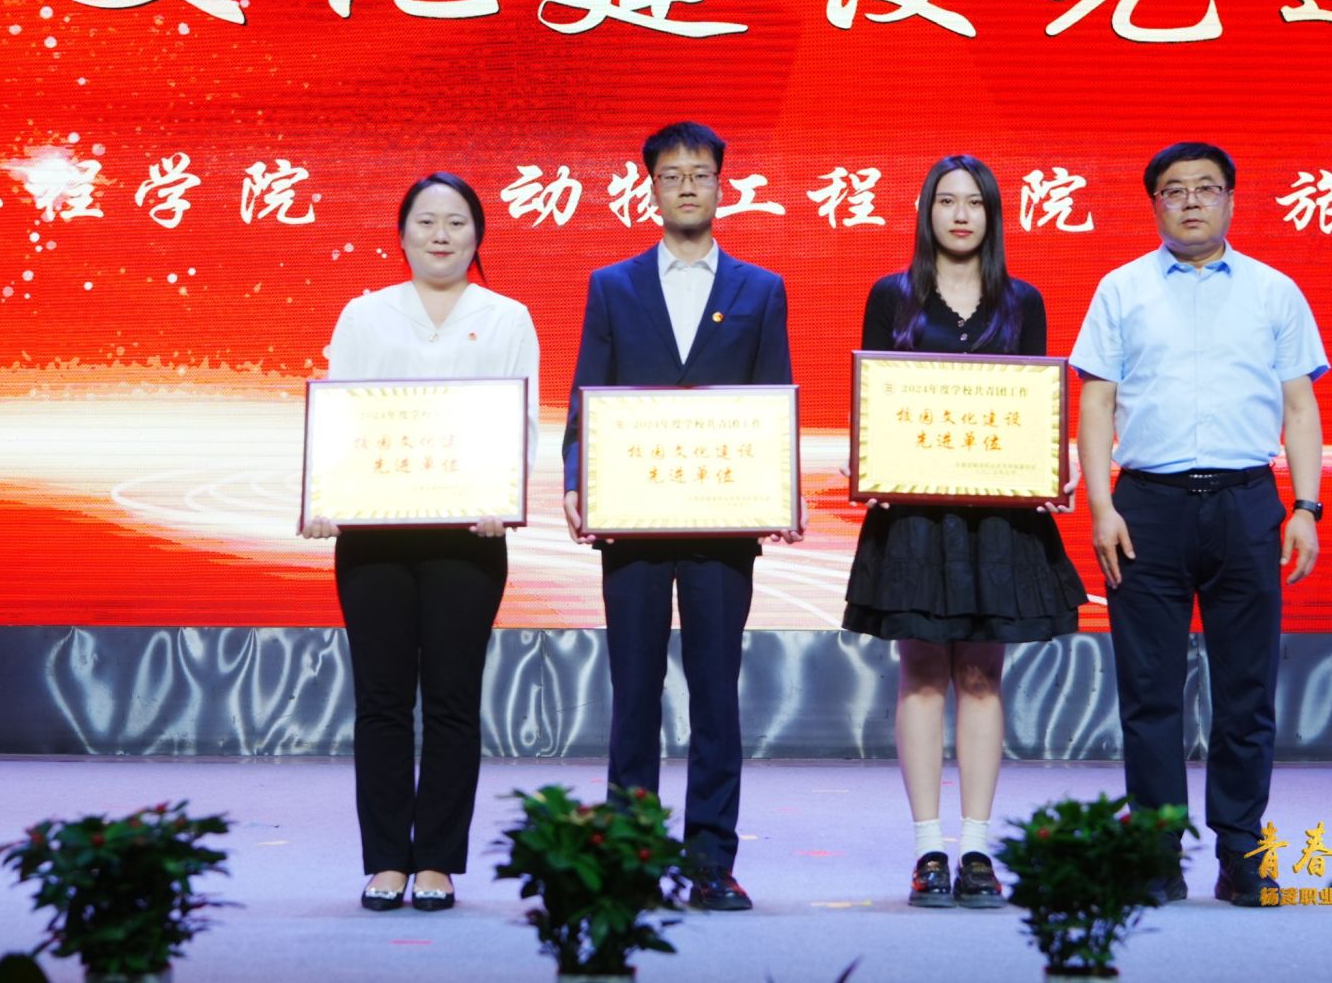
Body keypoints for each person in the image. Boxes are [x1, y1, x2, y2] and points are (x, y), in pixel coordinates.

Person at [1069, 141, 1326, 907]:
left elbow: (1300, 406)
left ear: (1231, 200)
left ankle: (1242, 850)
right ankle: (1155, 849)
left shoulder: (1275, 291)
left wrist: (1306, 506)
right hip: (1147, 506)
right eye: (1174, 189)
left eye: (1206, 188)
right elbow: (1095, 403)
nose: (1191, 201)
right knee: (1150, 690)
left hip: (1247, 502)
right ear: (1154, 203)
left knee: (1247, 689)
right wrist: (1102, 506)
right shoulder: (1121, 288)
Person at [561, 121, 796, 913]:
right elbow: (587, 392)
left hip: (722, 526)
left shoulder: (760, 289)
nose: (688, 186)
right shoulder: (613, 285)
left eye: (700, 173)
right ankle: (629, 853)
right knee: (633, 690)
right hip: (633, 519)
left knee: (716, 695)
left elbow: (774, 401)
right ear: (652, 188)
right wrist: (576, 479)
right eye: (672, 174)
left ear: (722, 185)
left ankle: (710, 860)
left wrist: (782, 490)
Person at [843, 155, 1086, 910]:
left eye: (973, 202)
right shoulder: (891, 296)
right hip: (914, 517)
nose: (959, 214)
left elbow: (1038, 405)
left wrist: (1054, 462)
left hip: (997, 519)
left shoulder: (1023, 301)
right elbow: (873, 401)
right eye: (945, 201)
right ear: (926, 212)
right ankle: (928, 850)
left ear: (992, 214)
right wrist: (870, 455)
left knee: (982, 676)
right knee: (920, 674)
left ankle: (976, 846)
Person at [306, 172, 540, 913]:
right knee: (380, 701)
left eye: (457, 222)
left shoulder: (507, 317)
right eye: (427, 221)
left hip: (468, 537)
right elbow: (341, 414)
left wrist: (504, 496)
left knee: (451, 700)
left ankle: (436, 859)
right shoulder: (365, 313)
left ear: (478, 235)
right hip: (373, 536)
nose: (441, 234)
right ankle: (385, 859)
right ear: (402, 233)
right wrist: (324, 497)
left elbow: (522, 421)